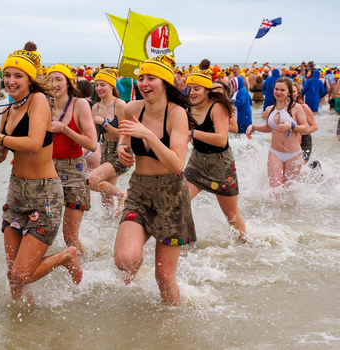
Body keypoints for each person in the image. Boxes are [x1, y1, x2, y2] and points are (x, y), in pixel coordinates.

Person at [0, 44, 82, 307]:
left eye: (18, 75)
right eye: (7, 75)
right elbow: (1, 157)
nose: (10, 81)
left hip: (44, 193)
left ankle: (66, 256)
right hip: (16, 192)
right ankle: (22, 320)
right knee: (13, 275)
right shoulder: (7, 111)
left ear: (30, 79)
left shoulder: (39, 101)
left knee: (21, 272)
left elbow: (33, 142)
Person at [114, 54, 196, 306]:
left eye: (151, 78)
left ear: (165, 83)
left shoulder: (177, 113)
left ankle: (172, 328)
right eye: (141, 77)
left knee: (163, 276)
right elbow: (125, 137)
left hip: (171, 194)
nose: (143, 82)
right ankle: (141, 248)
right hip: (139, 189)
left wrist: (148, 135)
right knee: (124, 260)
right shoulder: (132, 108)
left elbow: (176, 164)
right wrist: (121, 148)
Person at [185, 68, 247, 243]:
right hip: (197, 161)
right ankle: (187, 240)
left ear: (206, 90)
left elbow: (221, 139)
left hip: (221, 164)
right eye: (189, 88)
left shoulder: (217, 107)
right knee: (180, 201)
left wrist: (191, 133)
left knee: (231, 215)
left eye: (196, 88)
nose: (192, 92)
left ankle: (246, 245)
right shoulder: (189, 107)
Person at [47, 63, 98, 254]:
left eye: (59, 79)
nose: (54, 84)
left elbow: (92, 143)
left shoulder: (80, 104)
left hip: (74, 171)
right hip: (47, 169)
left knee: (69, 235)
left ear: (68, 83)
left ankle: (84, 270)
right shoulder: (44, 105)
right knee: (43, 231)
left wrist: (64, 129)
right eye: (50, 80)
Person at [246, 78, 308, 188]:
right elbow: (269, 128)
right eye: (276, 89)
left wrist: (291, 126)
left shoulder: (296, 107)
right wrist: (253, 126)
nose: (278, 92)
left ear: (288, 92)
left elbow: (305, 128)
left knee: (288, 190)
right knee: (274, 189)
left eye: (282, 90)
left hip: (293, 154)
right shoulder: (269, 109)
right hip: (275, 153)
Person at [88, 67, 128, 212]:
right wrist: (79, 154)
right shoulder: (95, 107)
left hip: (121, 151)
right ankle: (112, 227)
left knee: (91, 180)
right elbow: (93, 137)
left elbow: (124, 135)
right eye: (97, 85)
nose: (98, 88)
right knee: (106, 199)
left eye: (102, 84)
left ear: (112, 85)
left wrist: (104, 124)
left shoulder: (120, 105)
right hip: (105, 150)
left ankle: (123, 194)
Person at [292, 85, 318, 164]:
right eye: (289, 91)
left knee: (300, 166)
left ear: (298, 94)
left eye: (293, 91)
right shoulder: (282, 107)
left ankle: (314, 168)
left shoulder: (303, 107)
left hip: (304, 140)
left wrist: (300, 133)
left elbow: (314, 126)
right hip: (289, 140)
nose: (290, 93)